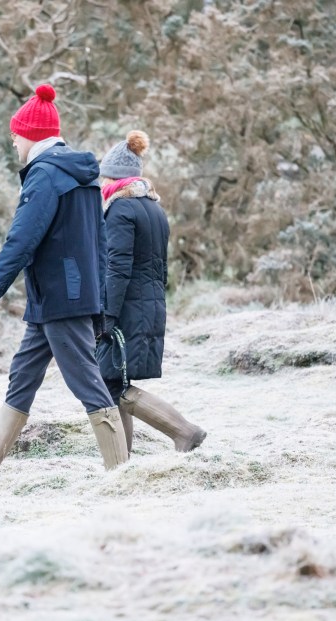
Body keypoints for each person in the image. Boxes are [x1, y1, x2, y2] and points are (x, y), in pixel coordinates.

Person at [0, 85, 128, 487]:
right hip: (57, 299)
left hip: (62, 298)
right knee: (22, 374)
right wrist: (98, 300)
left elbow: (21, 240)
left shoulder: (45, 175)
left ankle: (122, 476)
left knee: (86, 382)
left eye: (16, 134)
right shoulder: (80, 173)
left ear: (31, 134)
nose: (13, 141)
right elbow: (99, 242)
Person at [96, 130, 207, 454]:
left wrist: (107, 315)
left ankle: (184, 431)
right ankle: (122, 460)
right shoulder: (153, 209)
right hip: (148, 304)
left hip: (127, 307)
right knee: (114, 382)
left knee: (110, 382)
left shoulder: (120, 210)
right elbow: (161, 268)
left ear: (114, 177)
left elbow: (117, 267)